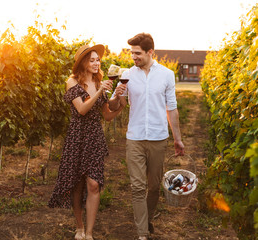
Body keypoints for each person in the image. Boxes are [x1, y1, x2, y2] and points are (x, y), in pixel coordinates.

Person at [109, 33, 185, 240]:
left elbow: (172, 109)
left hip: (158, 138)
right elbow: (116, 106)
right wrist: (116, 94)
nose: (133, 57)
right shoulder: (127, 74)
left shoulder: (167, 75)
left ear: (150, 52)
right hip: (134, 138)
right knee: (137, 186)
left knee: (153, 187)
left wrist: (177, 139)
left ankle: (148, 218)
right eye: (132, 53)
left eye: (138, 53)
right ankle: (142, 233)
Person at [48, 44, 126, 240]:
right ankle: (79, 226)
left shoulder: (100, 83)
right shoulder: (72, 82)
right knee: (77, 184)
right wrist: (100, 93)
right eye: (91, 60)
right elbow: (82, 109)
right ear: (83, 63)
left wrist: (119, 104)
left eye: (97, 60)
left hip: (94, 137)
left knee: (93, 184)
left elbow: (106, 116)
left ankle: (89, 233)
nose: (96, 63)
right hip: (77, 137)